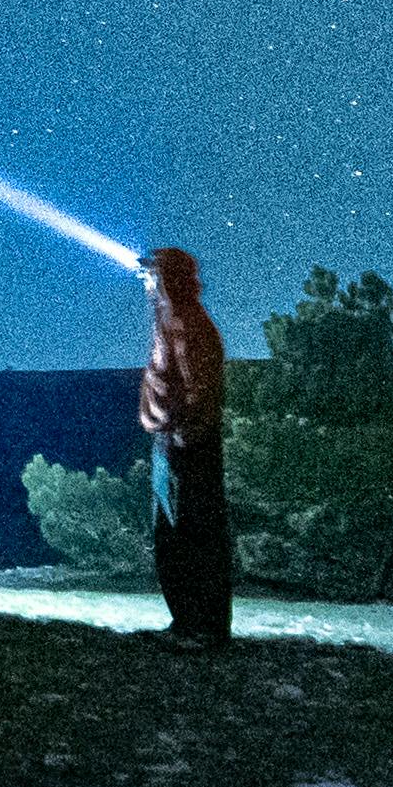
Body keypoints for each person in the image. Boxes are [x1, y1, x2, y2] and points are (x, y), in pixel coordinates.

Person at [138, 242, 236, 646]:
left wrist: (181, 434)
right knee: (173, 534)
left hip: (186, 443)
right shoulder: (171, 319)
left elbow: (200, 388)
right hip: (172, 439)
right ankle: (187, 623)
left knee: (194, 533)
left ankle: (204, 627)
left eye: (152, 274)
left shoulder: (186, 323)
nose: (146, 281)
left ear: (168, 279)